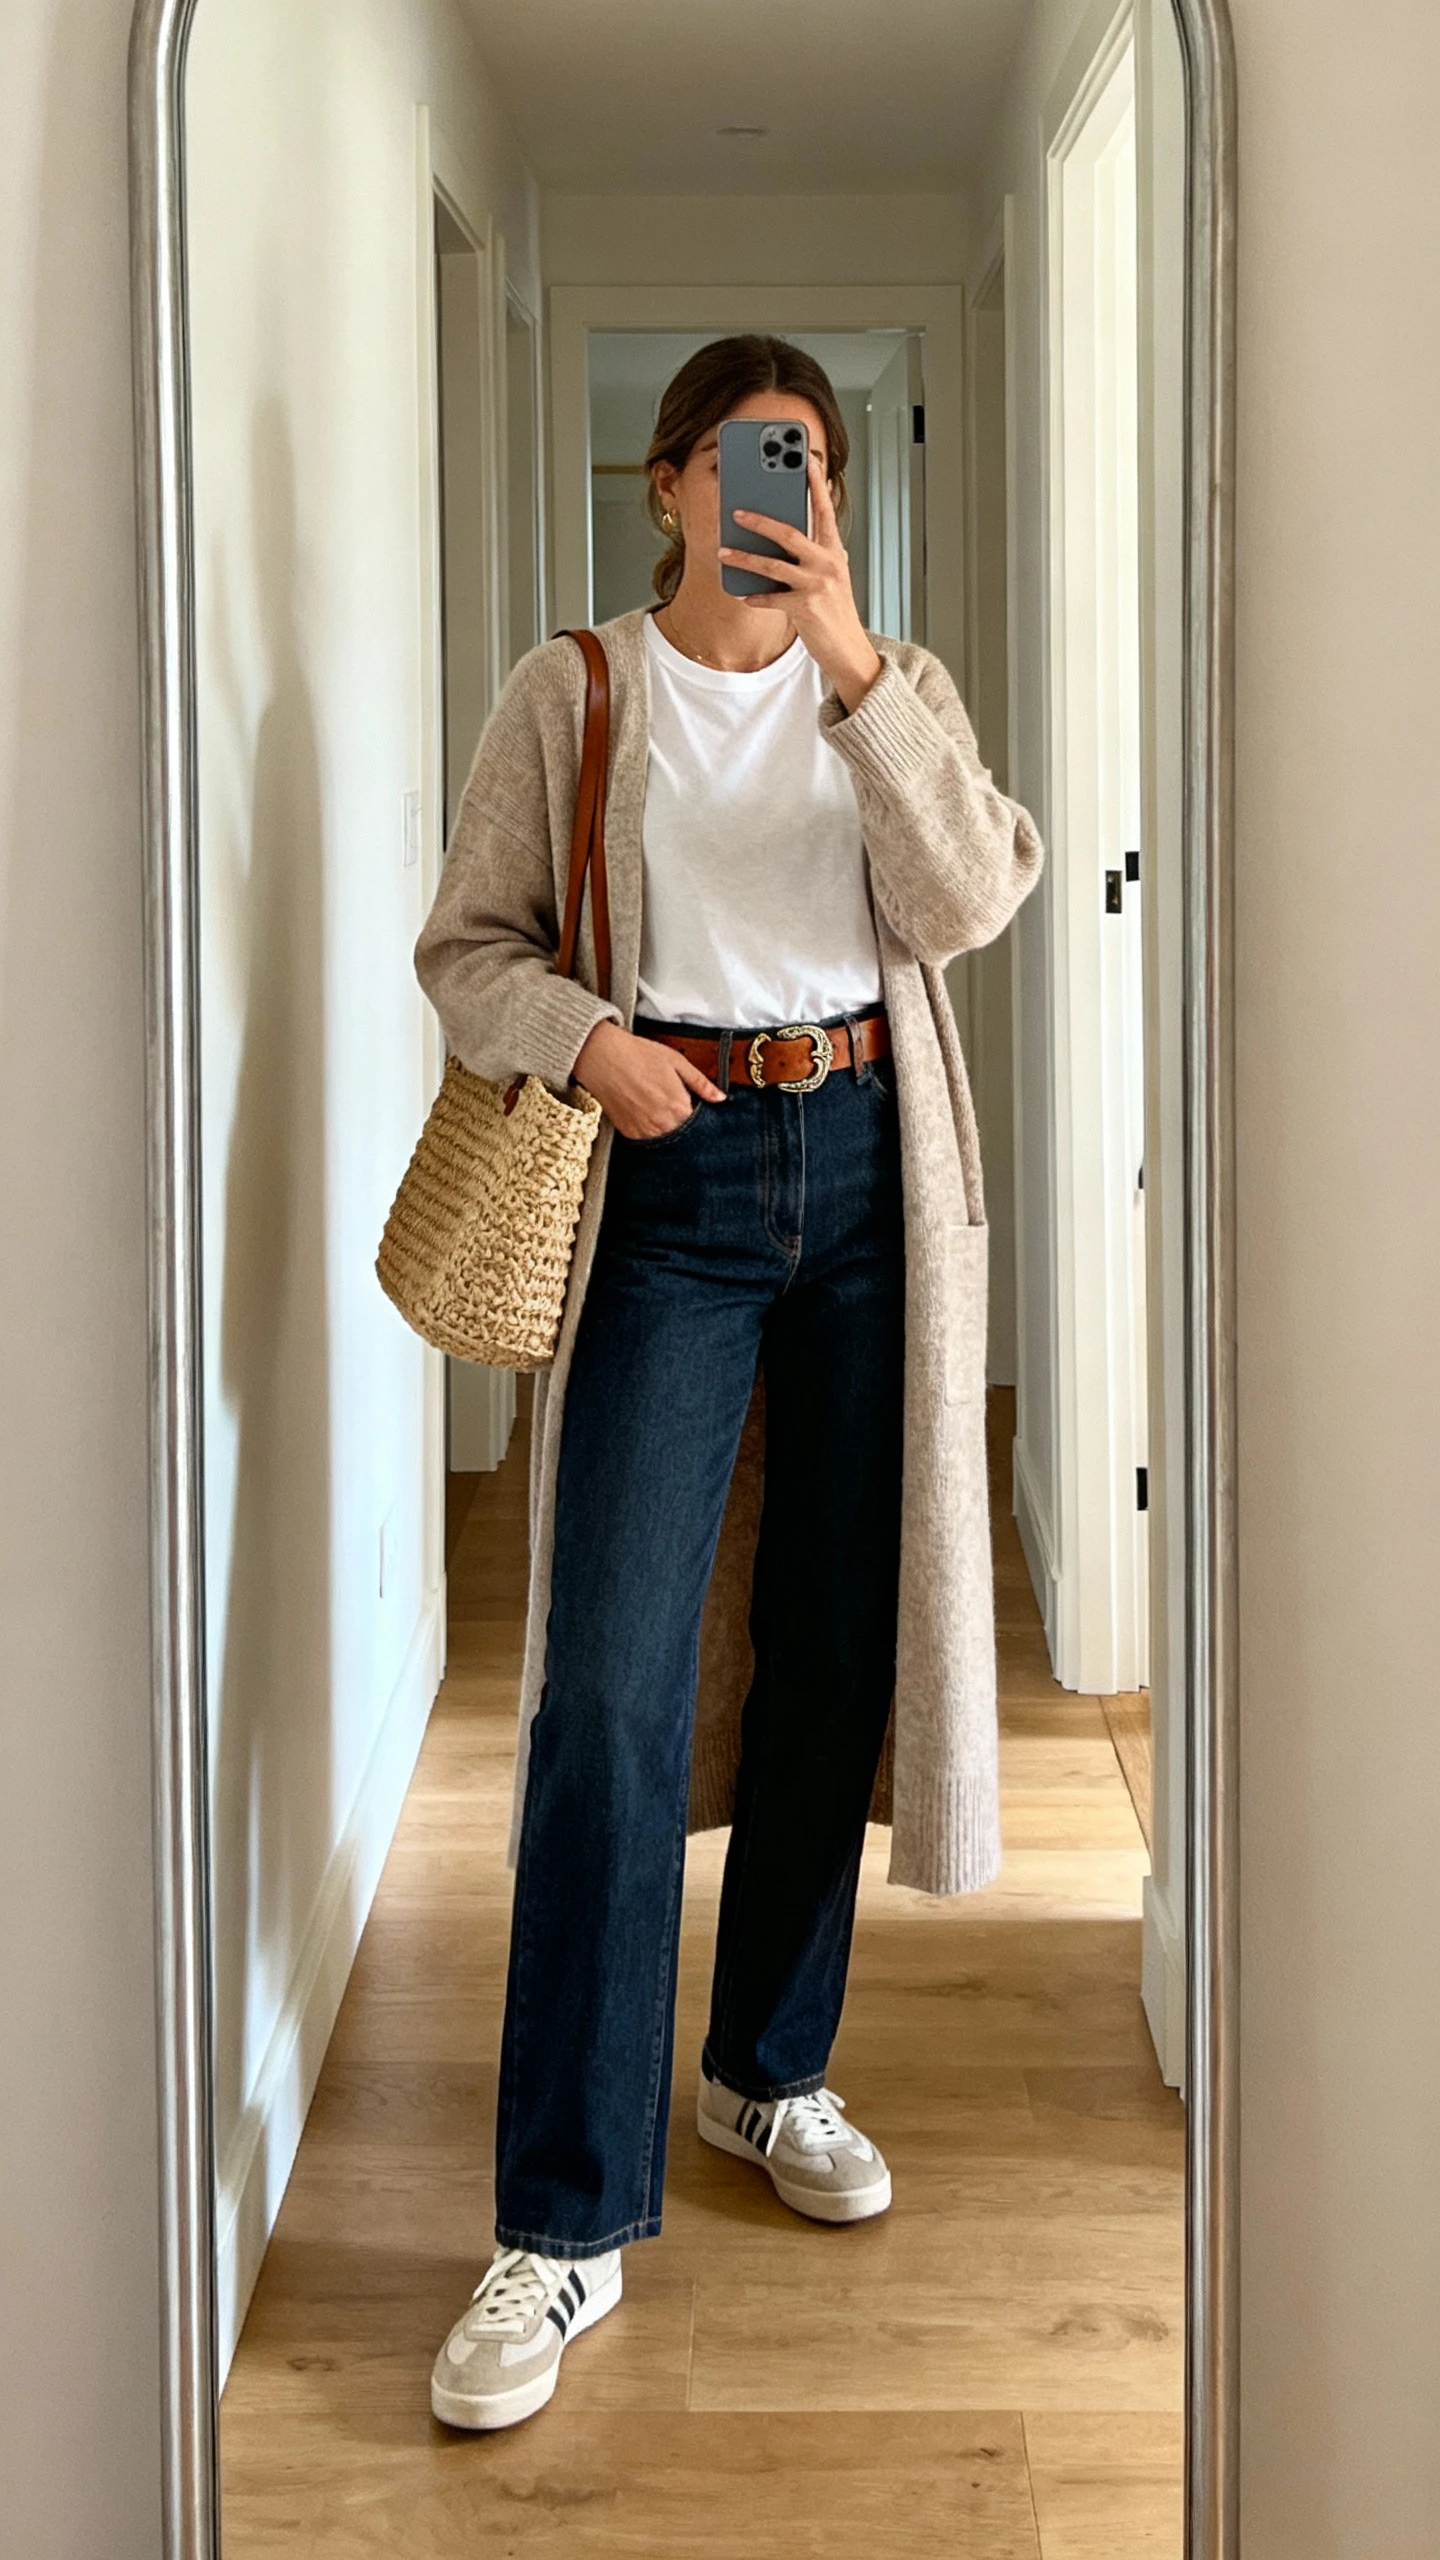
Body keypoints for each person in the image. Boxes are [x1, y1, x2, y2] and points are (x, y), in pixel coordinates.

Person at [413, 335, 1043, 2431]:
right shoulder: (574, 688)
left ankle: (765, 2069)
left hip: (868, 1170)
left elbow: (973, 898)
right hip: (668, 1179)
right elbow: (469, 944)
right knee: (604, 1678)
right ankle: (563, 2216)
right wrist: (586, 1038)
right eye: (757, 458)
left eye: (822, 463)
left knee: (828, 1643)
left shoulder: (900, 684)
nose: (790, 491)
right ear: (673, 481)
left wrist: (859, 668)